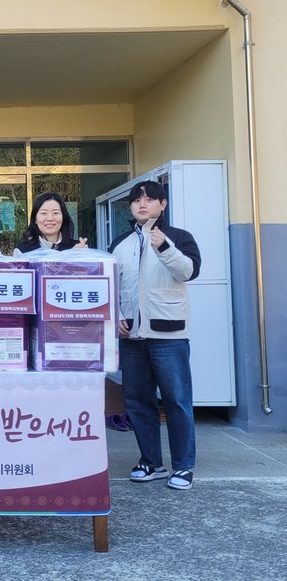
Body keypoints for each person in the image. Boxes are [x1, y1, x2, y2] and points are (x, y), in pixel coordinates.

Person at [109, 180, 201, 490]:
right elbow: (112, 287)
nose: (142, 204)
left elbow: (189, 271)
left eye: (149, 199)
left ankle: (183, 466)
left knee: (177, 401)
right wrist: (117, 316)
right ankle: (151, 462)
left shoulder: (179, 237)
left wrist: (164, 248)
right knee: (137, 402)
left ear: (163, 204)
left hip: (169, 335)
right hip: (132, 336)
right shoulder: (120, 243)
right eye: (137, 200)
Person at [16, 192, 87, 252]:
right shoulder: (22, 251)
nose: (50, 218)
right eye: (44, 213)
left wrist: (81, 257)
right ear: (35, 220)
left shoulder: (76, 248)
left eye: (55, 213)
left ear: (63, 218)